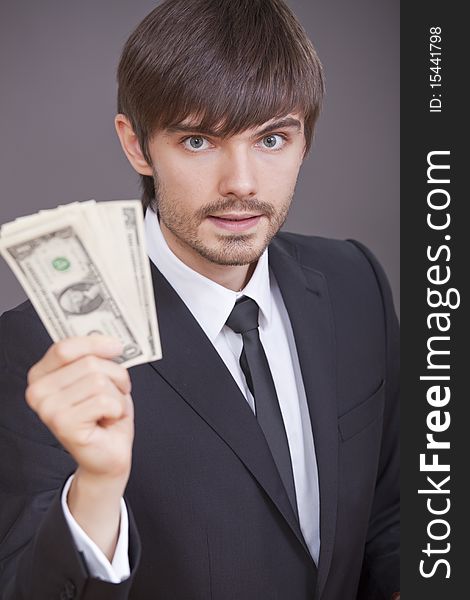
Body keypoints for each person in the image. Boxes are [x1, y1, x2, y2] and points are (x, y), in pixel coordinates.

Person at [0, 0, 399, 598]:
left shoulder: (355, 281)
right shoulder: (38, 348)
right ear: (137, 145)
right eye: (198, 141)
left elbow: (395, 515)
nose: (240, 182)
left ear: (305, 140)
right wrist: (98, 489)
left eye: (271, 139)